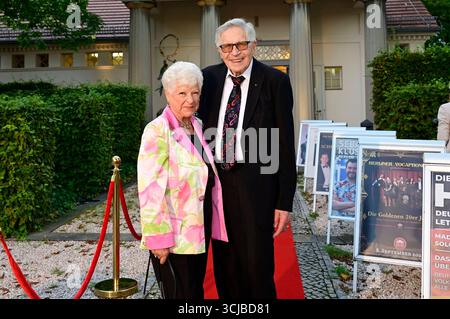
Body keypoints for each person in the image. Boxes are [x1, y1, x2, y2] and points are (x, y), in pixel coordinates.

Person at [198, 18, 297, 299]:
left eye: (241, 44)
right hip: (217, 186)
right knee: (225, 266)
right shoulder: (208, 79)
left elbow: (284, 144)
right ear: (219, 50)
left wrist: (284, 201)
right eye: (227, 46)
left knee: (257, 266)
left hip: (258, 188)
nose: (235, 52)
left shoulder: (275, 81)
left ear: (253, 45)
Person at [137, 61, 228, 299]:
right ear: (168, 94)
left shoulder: (197, 126)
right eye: (182, 93)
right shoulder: (157, 130)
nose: (190, 99)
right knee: (181, 294)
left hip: (199, 229)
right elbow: (149, 190)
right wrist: (158, 239)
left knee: (195, 292)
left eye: (195, 92)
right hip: (174, 235)